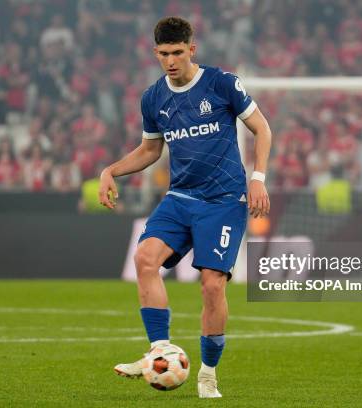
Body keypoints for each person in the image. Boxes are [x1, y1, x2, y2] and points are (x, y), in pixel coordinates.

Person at [98, 17, 271, 398]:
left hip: (224, 201)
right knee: (144, 259)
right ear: (155, 53)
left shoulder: (222, 83)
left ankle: (208, 374)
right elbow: (150, 150)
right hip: (180, 198)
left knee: (211, 286)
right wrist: (111, 170)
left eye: (178, 52)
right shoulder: (154, 98)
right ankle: (159, 351)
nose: (171, 61)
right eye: (164, 54)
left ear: (192, 49)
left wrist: (257, 179)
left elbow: (262, 127)